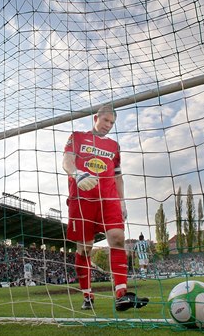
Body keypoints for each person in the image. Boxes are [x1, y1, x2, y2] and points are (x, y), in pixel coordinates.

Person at [63, 105, 149, 312]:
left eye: (112, 123)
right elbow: (67, 161)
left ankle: (121, 294)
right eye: (106, 121)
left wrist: (122, 201)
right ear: (95, 118)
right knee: (85, 249)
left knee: (118, 238)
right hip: (82, 198)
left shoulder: (114, 146)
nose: (108, 126)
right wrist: (77, 174)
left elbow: (118, 176)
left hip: (109, 198)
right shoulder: (77, 137)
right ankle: (87, 294)